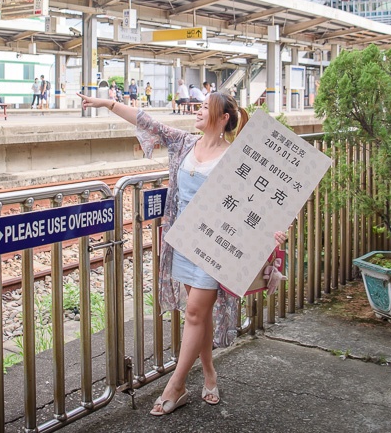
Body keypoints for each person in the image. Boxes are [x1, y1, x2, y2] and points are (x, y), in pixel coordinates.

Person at [77, 89, 265, 415]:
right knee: (199, 315)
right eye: (199, 105)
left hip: (215, 248)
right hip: (184, 242)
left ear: (222, 119)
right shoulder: (184, 143)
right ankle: (209, 375)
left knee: (193, 312)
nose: (197, 110)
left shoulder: (236, 158)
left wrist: (273, 234)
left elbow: (254, 206)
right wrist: (107, 103)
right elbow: (146, 121)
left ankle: (175, 386)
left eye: (206, 108)